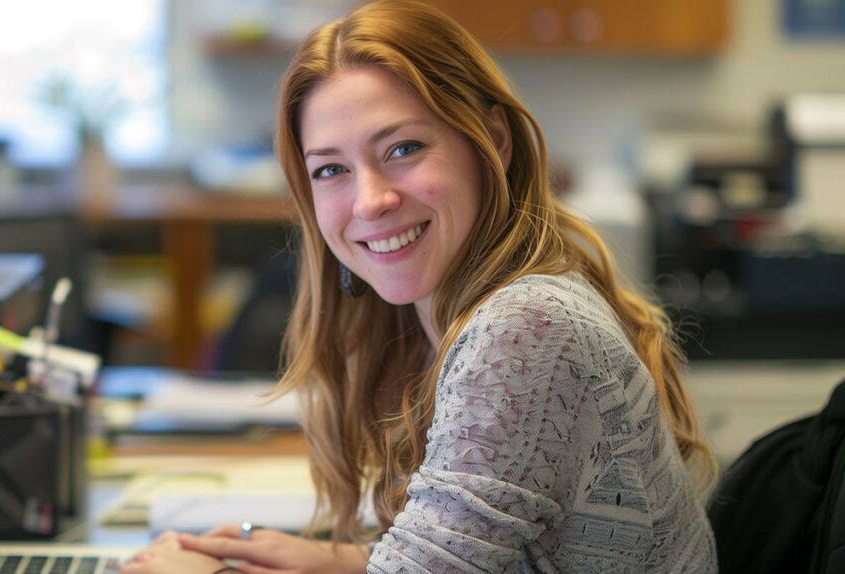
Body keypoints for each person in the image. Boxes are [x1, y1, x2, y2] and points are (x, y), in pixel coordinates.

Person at [121, 1, 717, 572]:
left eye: (404, 148)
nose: (371, 200)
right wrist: (352, 561)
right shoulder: (459, 312)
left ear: (494, 143)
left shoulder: (526, 327)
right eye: (331, 169)